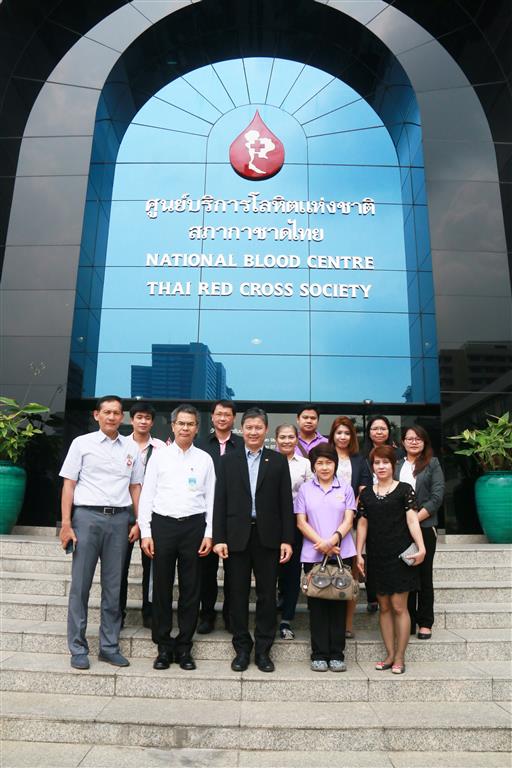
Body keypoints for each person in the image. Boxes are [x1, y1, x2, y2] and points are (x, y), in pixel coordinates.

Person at [59, 395, 143, 670]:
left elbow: (135, 487)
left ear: (122, 417)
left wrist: (139, 521)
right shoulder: (81, 444)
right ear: (97, 415)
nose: (111, 417)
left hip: (119, 520)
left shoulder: (131, 448)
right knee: (80, 586)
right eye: (107, 412)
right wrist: (66, 524)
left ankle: (109, 647)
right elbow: (69, 485)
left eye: (116, 412)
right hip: (87, 518)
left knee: (113, 587)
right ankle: (77, 648)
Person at [213, 407, 294, 673]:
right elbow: (220, 501)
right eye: (249, 427)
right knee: (236, 595)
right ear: (242, 429)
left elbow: (286, 503)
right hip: (236, 536)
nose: (254, 432)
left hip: (267, 537)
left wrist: (287, 539)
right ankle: (241, 648)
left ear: (266, 430)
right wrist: (219, 537)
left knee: (267, 595)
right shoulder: (228, 461)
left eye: (258, 427)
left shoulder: (277, 460)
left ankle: (263, 650)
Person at [139, 404, 215, 671]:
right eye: (181, 423)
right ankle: (163, 646)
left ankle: (184, 647)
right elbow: (147, 495)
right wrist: (146, 532)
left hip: (194, 526)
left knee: (191, 589)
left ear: (197, 428)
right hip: (163, 525)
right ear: (172, 426)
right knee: (161, 587)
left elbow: (211, 498)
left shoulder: (205, 459)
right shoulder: (159, 457)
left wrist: (209, 533)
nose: (185, 428)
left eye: (190, 424)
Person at [356, 445, 426, 674]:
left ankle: (400, 657)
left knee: (398, 606)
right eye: (377, 463)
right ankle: (389, 654)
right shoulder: (366, 493)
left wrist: (422, 547)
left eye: (385, 462)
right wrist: (359, 553)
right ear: (372, 466)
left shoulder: (404, 489)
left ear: (393, 464)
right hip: (376, 555)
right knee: (384, 607)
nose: (381, 466)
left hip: (400, 554)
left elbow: (412, 520)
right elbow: (362, 524)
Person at [295, 444, 356, 672]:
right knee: (317, 605)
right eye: (319, 463)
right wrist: (321, 543)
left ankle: (337, 654)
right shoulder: (305, 489)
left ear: (335, 464)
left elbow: (349, 520)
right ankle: (319, 654)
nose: (324, 467)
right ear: (313, 466)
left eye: (328, 462)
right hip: (313, 554)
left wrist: (332, 541)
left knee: (339, 604)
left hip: (341, 553)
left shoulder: (346, 488)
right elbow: (301, 522)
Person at [196, 400, 244, 635]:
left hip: (235, 515)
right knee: (206, 570)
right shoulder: (200, 444)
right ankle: (207, 615)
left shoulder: (242, 445)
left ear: (234, 418)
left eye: (227, 414)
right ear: (212, 417)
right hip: (206, 513)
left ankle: (230, 615)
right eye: (218, 414)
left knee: (234, 571)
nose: (222, 418)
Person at [119, 403, 166, 629]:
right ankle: (118, 612)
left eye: (147, 418)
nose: (143, 421)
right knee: (120, 567)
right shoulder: (121, 445)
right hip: (124, 511)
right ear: (131, 420)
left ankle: (150, 612)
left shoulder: (161, 448)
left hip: (154, 514)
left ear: (152, 422)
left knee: (152, 567)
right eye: (139, 417)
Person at [396, 425, 445, 640]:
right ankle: (409, 621)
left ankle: (425, 622)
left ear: (424, 442)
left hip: (424, 526)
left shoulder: (432, 463)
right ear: (403, 442)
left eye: (418, 439)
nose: (414, 442)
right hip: (399, 529)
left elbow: (437, 496)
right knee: (405, 575)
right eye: (409, 438)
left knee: (424, 575)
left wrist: (414, 519)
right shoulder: (397, 465)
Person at [328, 416, 372, 637]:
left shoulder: (359, 459)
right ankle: (327, 622)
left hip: (352, 522)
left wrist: (350, 510)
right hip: (325, 522)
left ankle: (347, 624)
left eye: (347, 433)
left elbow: (364, 488)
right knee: (327, 570)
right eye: (339, 433)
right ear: (333, 435)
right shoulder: (325, 456)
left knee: (351, 575)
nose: (343, 437)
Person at [275, 423, 313, 640]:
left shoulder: (305, 464)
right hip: (272, 521)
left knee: (292, 570)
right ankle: (276, 602)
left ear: (297, 439)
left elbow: (309, 493)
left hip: (297, 520)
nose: (287, 441)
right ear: (276, 439)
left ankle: (286, 618)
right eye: (282, 437)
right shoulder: (269, 460)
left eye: (291, 437)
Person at [362, 415, 397, 612]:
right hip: (370, 506)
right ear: (369, 432)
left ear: (389, 431)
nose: (379, 432)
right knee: (371, 554)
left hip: (393, 507)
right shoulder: (362, 455)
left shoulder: (398, 453)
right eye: (375, 428)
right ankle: (372, 596)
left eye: (383, 428)